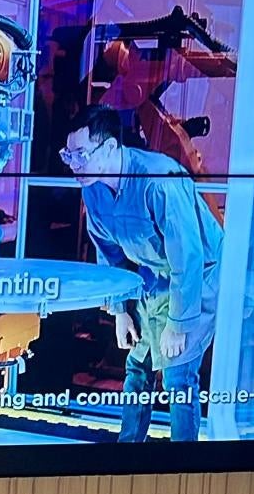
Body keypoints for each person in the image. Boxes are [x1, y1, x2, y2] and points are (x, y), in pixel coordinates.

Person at [60, 104, 222, 443]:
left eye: (80, 155)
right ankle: (129, 448)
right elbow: (110, 254)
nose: (74, 164)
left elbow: (188, 257)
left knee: (178, 374)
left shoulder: (158, 181)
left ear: (109, 148)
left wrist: (179, 323)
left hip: (199, 277)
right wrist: (120, 311)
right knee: (137, 366)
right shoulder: (92, 188)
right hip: (153, 279)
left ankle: (184, 463)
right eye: (68, 155)